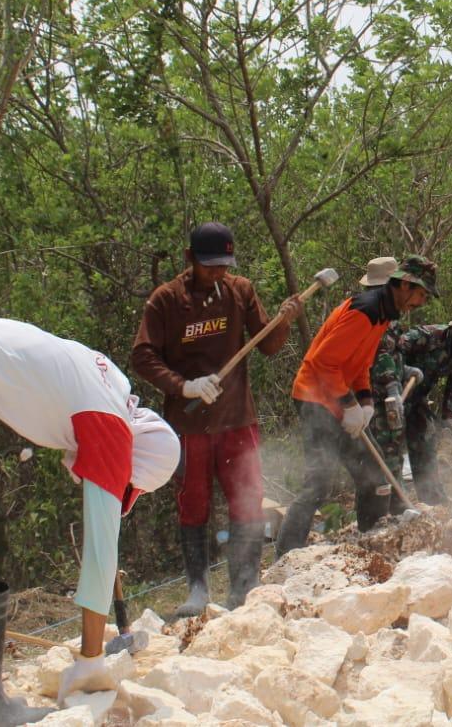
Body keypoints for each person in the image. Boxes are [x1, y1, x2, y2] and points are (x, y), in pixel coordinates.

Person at [0, 318, 179, 721]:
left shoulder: (106, 380)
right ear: (130, 461)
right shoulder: (112, 428)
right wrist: (91, 661)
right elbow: (100, 554)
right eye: (125, 485)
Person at [131, 221, 302, 615]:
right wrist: (184, 385)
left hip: (237, 418)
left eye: (224, 265)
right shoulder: (166, 300)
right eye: (210, 266)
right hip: (189, 424)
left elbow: (269, 346)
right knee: (194, 504)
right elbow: (143, 356)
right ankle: (198, 591)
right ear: (190, 259)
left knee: (247, 499)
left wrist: (285, 321)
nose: (218, 273)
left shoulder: (240, 291)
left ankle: (244, 586)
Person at [277, 256, 437, 554]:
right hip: (315, 398)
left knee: (375, 471)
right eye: (421, 294)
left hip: (337, 398)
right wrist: (348, 404)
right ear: (404, 284)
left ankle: (371, 543)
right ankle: (285, 557)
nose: (422, 302)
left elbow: (360, 364)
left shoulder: (383, 314)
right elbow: (324, 363)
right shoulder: (363, 311)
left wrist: (364, 402)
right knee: (318, 484)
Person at [396, 312, 452, 503]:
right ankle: (394, 501)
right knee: (392, 446)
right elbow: (393, 351)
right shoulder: (427, 336)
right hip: (395, 395)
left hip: (418, 398)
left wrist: (450, 417)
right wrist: (402, 372)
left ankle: (431, 498)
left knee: (426, 438)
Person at [367, 321, 421, 515]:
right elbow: (380, 358)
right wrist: (391, 383)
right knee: (386, 453)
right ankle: (384, 508)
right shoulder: (381, 329)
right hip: (379, 405)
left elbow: (392, 359)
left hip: (390, 404)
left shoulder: (395, 331)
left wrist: (405, 371)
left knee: (395, 451)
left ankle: (397, 505)